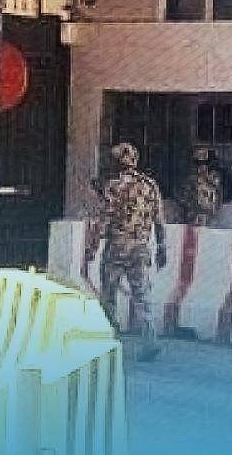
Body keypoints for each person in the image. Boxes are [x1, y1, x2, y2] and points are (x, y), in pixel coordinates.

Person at [87, 141, 167, 360]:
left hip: (117, 247)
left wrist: (92, 246)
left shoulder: (114, 186)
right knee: (142, 295)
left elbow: (105, 219)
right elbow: (159, 220)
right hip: (141, 247)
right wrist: (162, 247)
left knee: (109, 295)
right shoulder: (150, 185)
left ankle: (109, 341)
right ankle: (150, 340)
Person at [179, 146, 223, 226]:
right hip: (193, 215)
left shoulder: (213, 178)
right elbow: (184, 198)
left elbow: (217, 196)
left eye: (205, 163)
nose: (201, 166)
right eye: (198, 163)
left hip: (208, 215)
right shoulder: (191, 180)